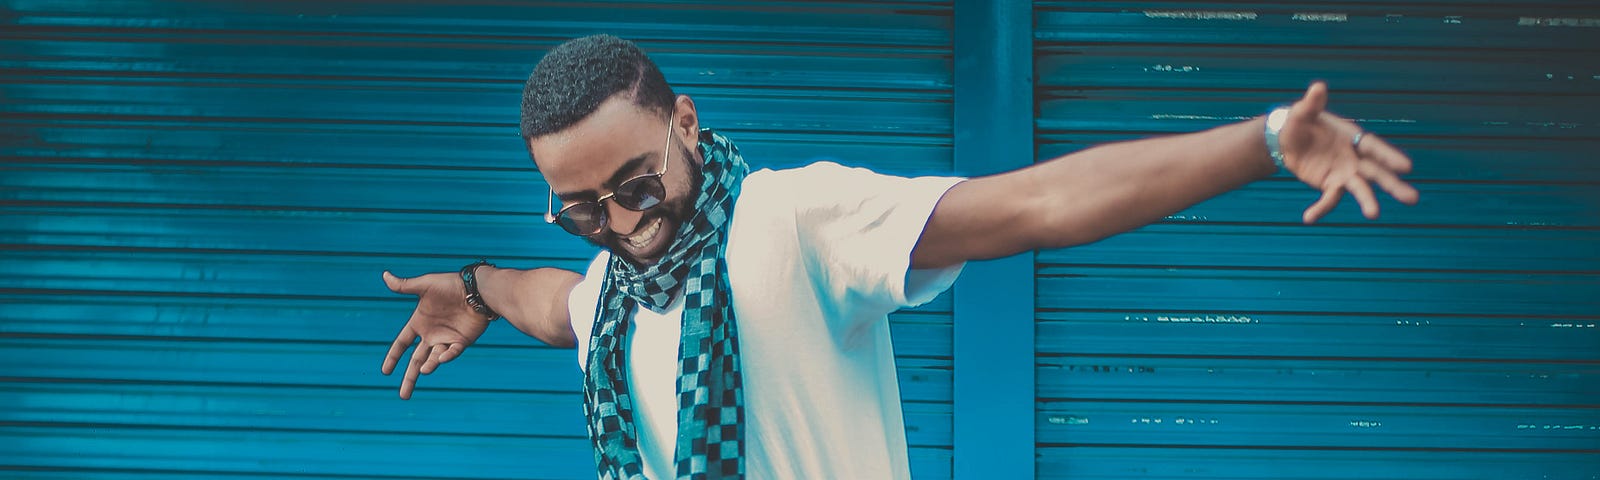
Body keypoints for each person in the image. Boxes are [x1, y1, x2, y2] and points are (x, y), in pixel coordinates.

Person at [377, 34, 1419, 479]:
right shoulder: (613, 290)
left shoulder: (799, 219)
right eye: (582, 208)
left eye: (637, 186)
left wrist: (1264, 141)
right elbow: (551, 301)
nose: (622, 222)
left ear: (686, 124)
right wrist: (474, 287)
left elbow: (1044, 203)